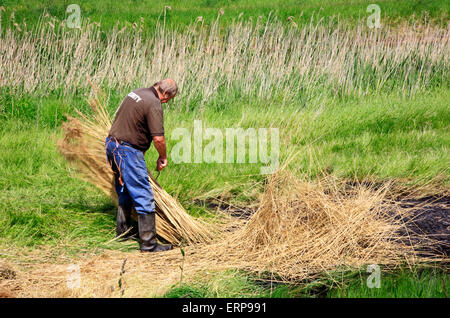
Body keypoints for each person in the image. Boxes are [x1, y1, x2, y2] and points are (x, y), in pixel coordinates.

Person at [105, 79, 178, 252]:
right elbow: (159, 138)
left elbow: (132, 122)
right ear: (165, 94)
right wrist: (163, 156)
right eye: (169, 99)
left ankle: (124, 231)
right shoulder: (153, 103)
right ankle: (149, 244)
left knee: (125, 189)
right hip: (127, 151)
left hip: (112, 145)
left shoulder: (137, 92)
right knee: (144, 195)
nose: (166, 102)